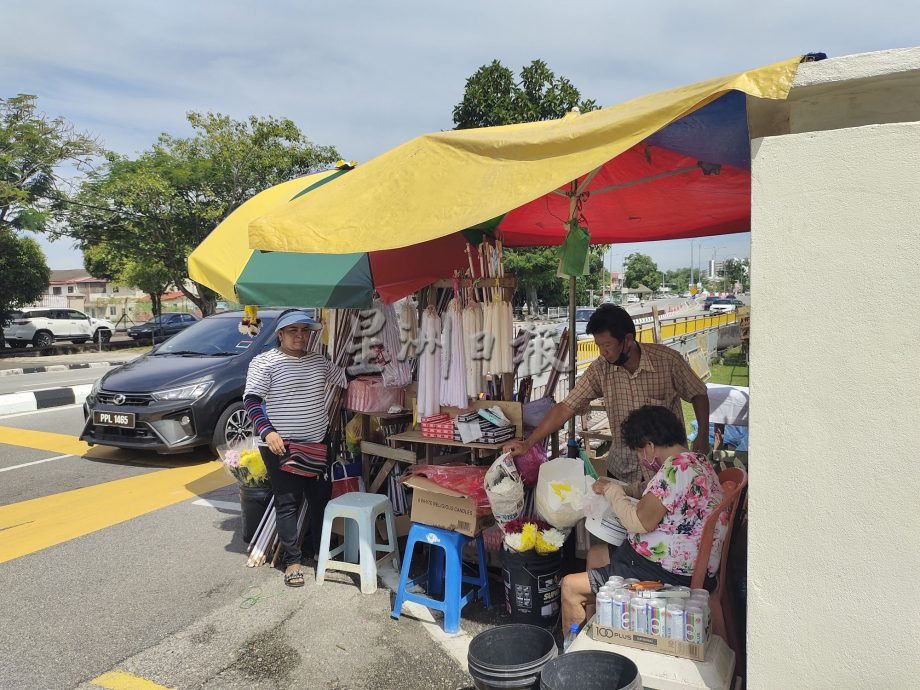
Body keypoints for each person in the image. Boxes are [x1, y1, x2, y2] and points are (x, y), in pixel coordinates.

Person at [560, 405, 727, 630]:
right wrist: (623, 489)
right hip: (687, 564)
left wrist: (613, 492)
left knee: (570, 586)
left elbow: (638, 522)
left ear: (649, 446)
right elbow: (652, 492)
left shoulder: (675, 470)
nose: (640, 458)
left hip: (669, 574)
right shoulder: (695, 461)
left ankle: (577, 654)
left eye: (639, 451)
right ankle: (599, 631)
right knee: (597, 554)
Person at [504, 303, 710, 485]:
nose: (603, 352)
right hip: (623, 469)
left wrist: (702, 434)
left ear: (627, 340)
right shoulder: (600, 369)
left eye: (607, 345)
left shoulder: (667, 360)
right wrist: (528, 443)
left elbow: (698, 393)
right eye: (598, 345)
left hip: (669, 470)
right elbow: (566, 407)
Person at [244, 309, 347, 587]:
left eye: (304, 330)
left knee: (319, 500)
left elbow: (344, 379)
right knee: (287, 503)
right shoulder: (264, 362)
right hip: (280, 445)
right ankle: (293, 561)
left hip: (317, 442)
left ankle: (319, 550)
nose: (300, 335)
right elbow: (252, 401)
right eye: (293, 331)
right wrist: (267, 431)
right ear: (280, 334)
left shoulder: (319, 362)